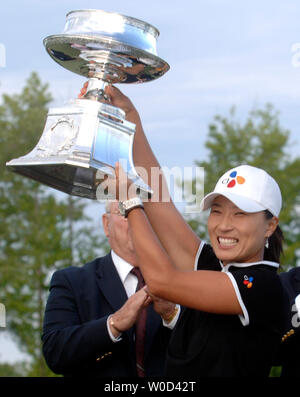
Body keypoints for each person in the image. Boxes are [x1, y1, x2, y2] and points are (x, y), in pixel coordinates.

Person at [84, 84, 289, 377]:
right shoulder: (214, 266)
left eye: (240, 214)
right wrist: (132, 118)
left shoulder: (261, 286)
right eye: (217, 211)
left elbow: (161, 281)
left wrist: (130, 201)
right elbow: (159, 200)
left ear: (270, 225)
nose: (224, 224)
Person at [42, 200, 180, 377]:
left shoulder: (184, 280)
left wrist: (172, 316)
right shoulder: (72, 281)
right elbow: (56, 354)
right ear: (107, 225)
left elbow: (209, 351)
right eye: (125, 212)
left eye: (143, 212)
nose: (136, 220)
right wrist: (113, 324)